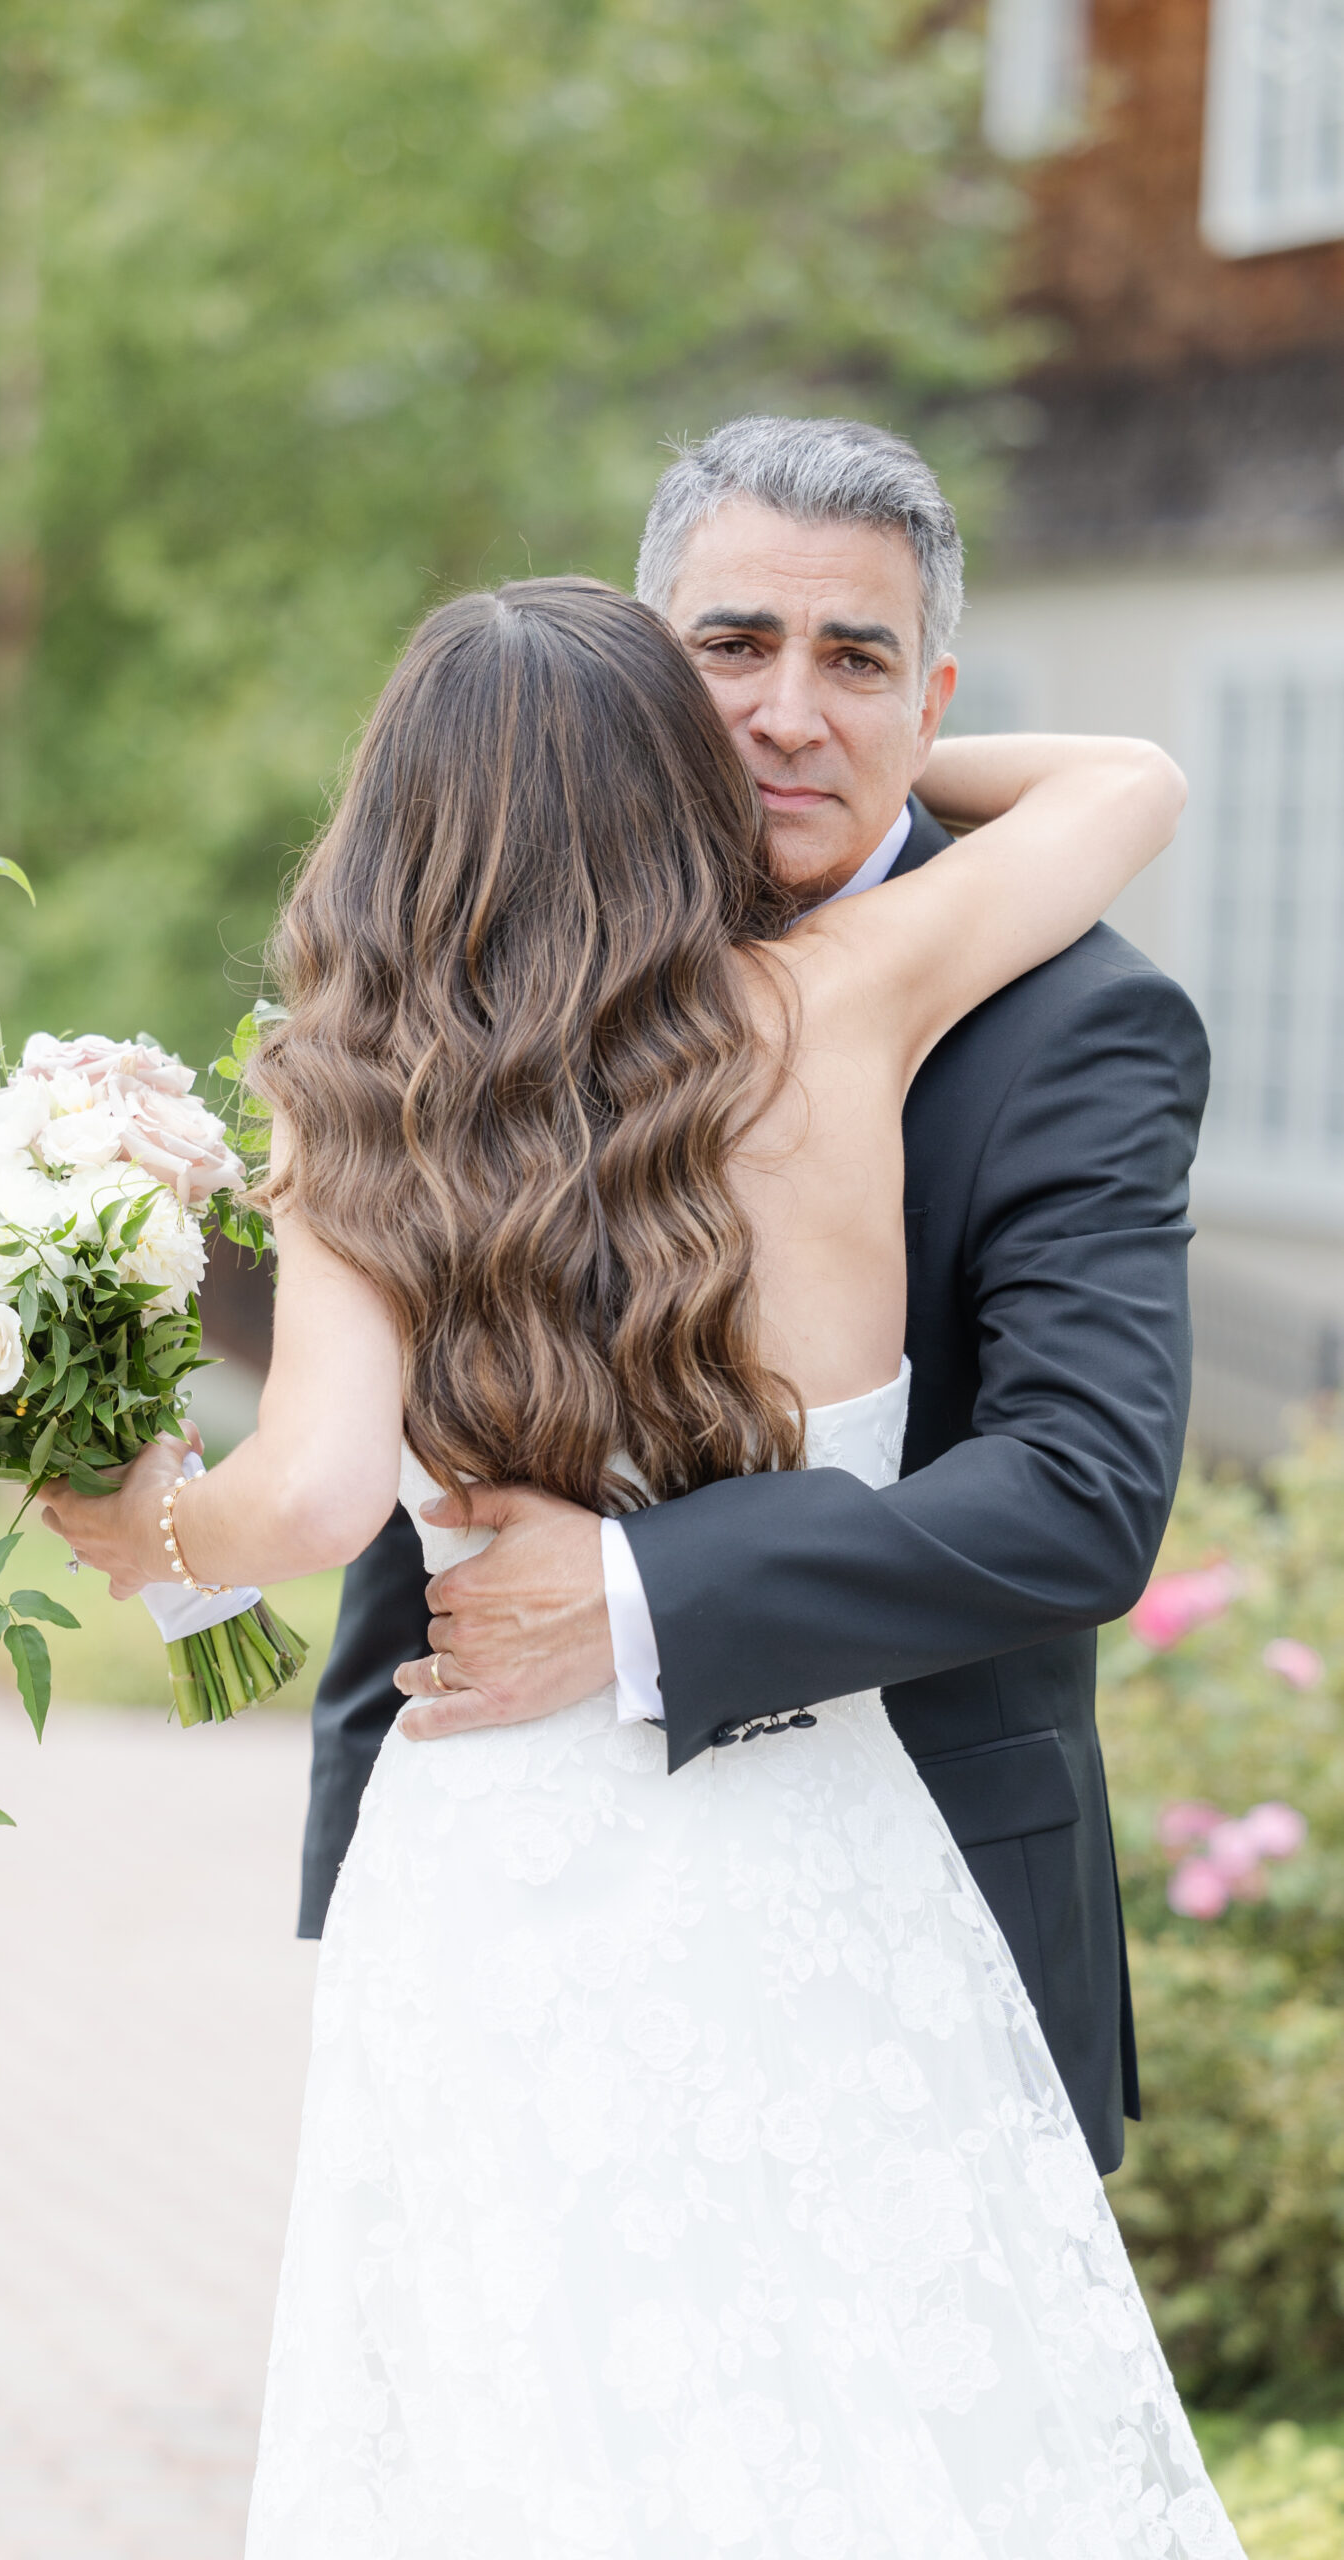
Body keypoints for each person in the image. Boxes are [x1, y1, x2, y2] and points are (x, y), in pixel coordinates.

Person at [42, 570, 1239, 2551]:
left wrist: (147, 1516)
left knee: (531, 2422)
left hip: (496, 1861)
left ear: (394, 816)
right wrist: (843, 741)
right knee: (868, 2406)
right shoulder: (844, 991)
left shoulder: (352, 1103)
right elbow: (1128, 777)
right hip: (816, 1833)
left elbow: (319, 1497)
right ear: (679, 789)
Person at [301, 416, 1211, 2182]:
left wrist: (632, 1594)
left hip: (904, 1942)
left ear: (933, 695)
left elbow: (1081, 1498)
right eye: (733, 649)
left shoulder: (1078, 1023)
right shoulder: (517, 964)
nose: (791, 712)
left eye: (855, 660)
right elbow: (421, 1477)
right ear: (644, 673)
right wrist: (364, 1925)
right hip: (510, 1948)